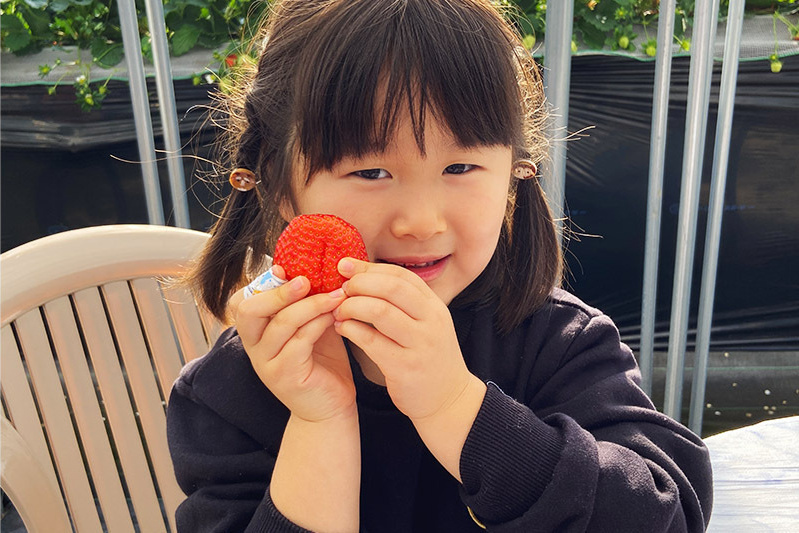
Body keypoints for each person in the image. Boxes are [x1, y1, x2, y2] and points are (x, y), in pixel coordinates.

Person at [166, 0, 713, 531]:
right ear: (279, 185)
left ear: (513, 175)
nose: (422, 223)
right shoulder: (228, 393)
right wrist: (321, 420)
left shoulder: (558, 346)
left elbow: (669, 515)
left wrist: (454, 404)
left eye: (460, 166)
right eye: (371, 172)